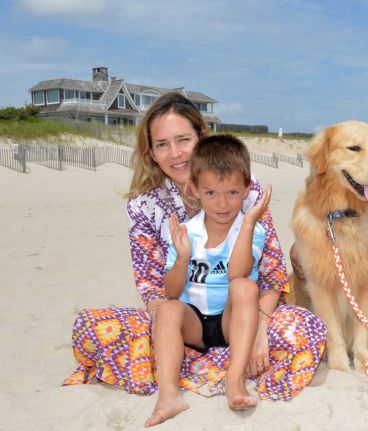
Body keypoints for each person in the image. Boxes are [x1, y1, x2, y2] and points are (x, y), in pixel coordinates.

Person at [65, 93, 326, 414]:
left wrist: (260, 327)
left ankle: (229, 369)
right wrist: (168, 328)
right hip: (184, 321)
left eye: (183, 140)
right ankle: (182, 372)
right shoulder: (143, 206)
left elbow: (271, 274)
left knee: (304, 327)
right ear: (151, 153)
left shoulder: (243, 187)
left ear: (201, 137)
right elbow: (152, 289)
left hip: (242, 317)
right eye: (162, 144)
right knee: (92, 326)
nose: (175, 153)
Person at [147, 134, 267, 425]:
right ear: (195, 189)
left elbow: (237, 273)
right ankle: (168, 396)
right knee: (167, 308)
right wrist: (182, 259)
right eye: (211, 193)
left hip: (230, 322)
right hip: (195, 324)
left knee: (244, 286)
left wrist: (248, 223)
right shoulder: (186, 232)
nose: (222, 204)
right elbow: (172, 291)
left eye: (233, 193)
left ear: (247, 190)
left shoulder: (252, 230)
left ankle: (234, 380)